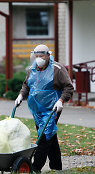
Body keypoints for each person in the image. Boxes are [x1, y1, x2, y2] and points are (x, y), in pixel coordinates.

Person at [15, 44, 74, 172]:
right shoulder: (32, 69)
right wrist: (21, 95)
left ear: (48, 55)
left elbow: (68, 87)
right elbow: (27, 84)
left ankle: (35, 168)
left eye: (41, 56)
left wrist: (60, 101)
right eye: (36, 56)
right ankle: (56, 167)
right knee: (50, 136)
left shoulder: (57, 69)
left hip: (53, 108)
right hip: (37, 109)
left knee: (44, 136)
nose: (39, 59)